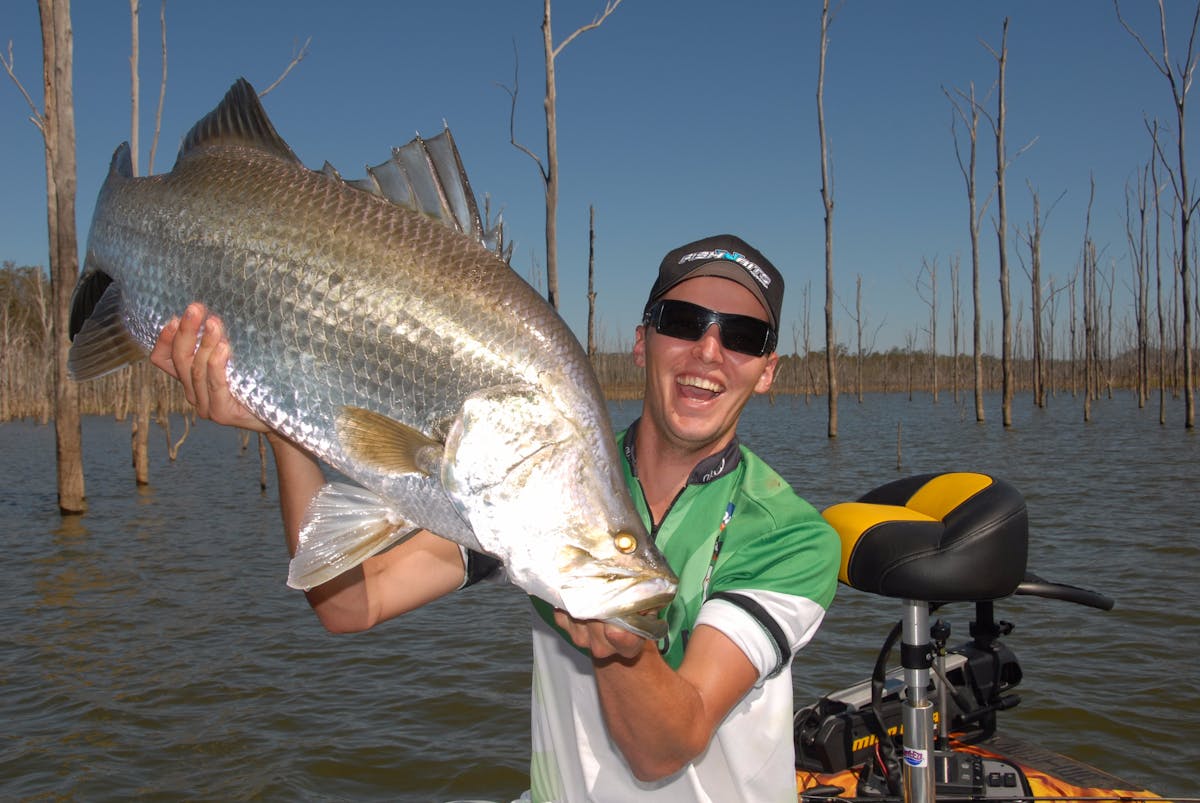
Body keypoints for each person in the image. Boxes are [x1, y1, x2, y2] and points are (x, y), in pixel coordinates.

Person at [151, 233, 840, 803]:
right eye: (684, 323)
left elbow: (666, 744)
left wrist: (619, 643)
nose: (709, 352)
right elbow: (350, 601)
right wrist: (282, 417)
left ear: (768, 369)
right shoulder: (535, 483)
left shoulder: (789, 534)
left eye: (742, 336)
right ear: (643, 342)